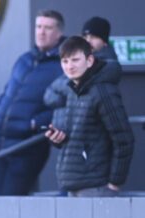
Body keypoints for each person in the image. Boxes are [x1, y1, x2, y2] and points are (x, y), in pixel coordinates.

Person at [0, 10, 65, 195]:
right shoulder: (25, 59)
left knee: (12, 206)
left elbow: (64, 104)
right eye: (38, 26)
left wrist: (35, 124)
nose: (41, 32)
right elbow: (8, 92)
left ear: (59, 33)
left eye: (47, 27)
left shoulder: (63, 64)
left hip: (26, 148)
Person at [45, 36, 134, 197]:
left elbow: (124, 139)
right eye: (65, 61)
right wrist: (59, 139)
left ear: (90, 61)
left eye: (75, 60)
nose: (69, 66)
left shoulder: (103, 91)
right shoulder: (73, 89)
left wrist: (114, 183)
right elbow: (82, 136)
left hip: (97, 187)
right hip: (73, 184)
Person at [45, 16, 121, 133]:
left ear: (105, 42)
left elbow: (82, 85)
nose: (88, 41)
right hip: (64, 138)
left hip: (89, 138)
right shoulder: (77, 61)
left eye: (94, 37)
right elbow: (49, 95)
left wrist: (69, 94)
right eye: (85, 36)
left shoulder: (109, 65)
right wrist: (71, 97)